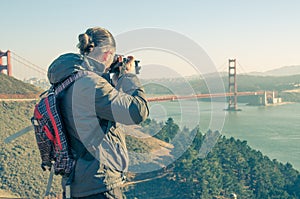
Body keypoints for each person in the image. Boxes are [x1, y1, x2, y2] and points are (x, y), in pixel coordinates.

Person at [47, 27, 149, 198]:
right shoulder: (90, 85)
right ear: (107, 54)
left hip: (75, 185)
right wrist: (127, 76)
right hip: (98, 186)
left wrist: (111, 79)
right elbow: (137, 112)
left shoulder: (65, 81)